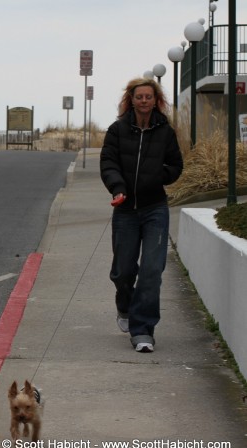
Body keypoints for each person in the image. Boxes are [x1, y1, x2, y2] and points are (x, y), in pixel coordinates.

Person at [100, 77, 183, 353]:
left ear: (156, 100)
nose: (144, 101)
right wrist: (118, 188)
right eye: (139, 97)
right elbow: (108, 162)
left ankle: (143, 330)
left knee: (151, 270)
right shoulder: (117, 129)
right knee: (123, 271)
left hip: (154, 209)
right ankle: (124, 306)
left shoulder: (165, 132)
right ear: (131, 100)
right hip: (125, 210)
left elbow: (176, 165)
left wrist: (154, 177)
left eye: (149, 97)